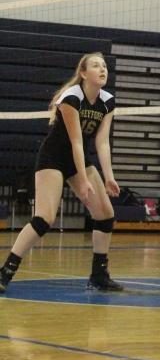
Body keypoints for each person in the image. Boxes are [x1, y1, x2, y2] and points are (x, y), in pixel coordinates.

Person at [0, 53, 122, 294]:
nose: (103, 69)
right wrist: (84, 180)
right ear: (84, 73)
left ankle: (99, 275)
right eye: (96, 66)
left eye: (105, 66)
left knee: (105, 214)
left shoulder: (107, 101)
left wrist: (109, 176)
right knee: (44, 218)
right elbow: (76, 141)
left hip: (79, 160)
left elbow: (102, 142)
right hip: (53, 157)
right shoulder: (71, 97)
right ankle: (6, 271)